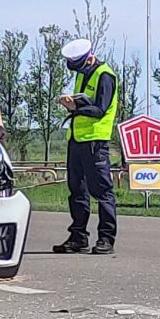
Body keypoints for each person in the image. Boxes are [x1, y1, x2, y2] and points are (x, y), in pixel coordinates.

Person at [53, 38, 119, 255]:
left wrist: (75, 107)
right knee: (77, 191)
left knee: (102, 192)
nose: (78, 70)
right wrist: (73, 104)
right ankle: (78, 237)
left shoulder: (105, 75)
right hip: (77, 140)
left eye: (80, 65)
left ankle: (106, 238)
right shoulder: (83, 74)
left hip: (95, 142)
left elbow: (101, 109)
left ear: (90, 58)